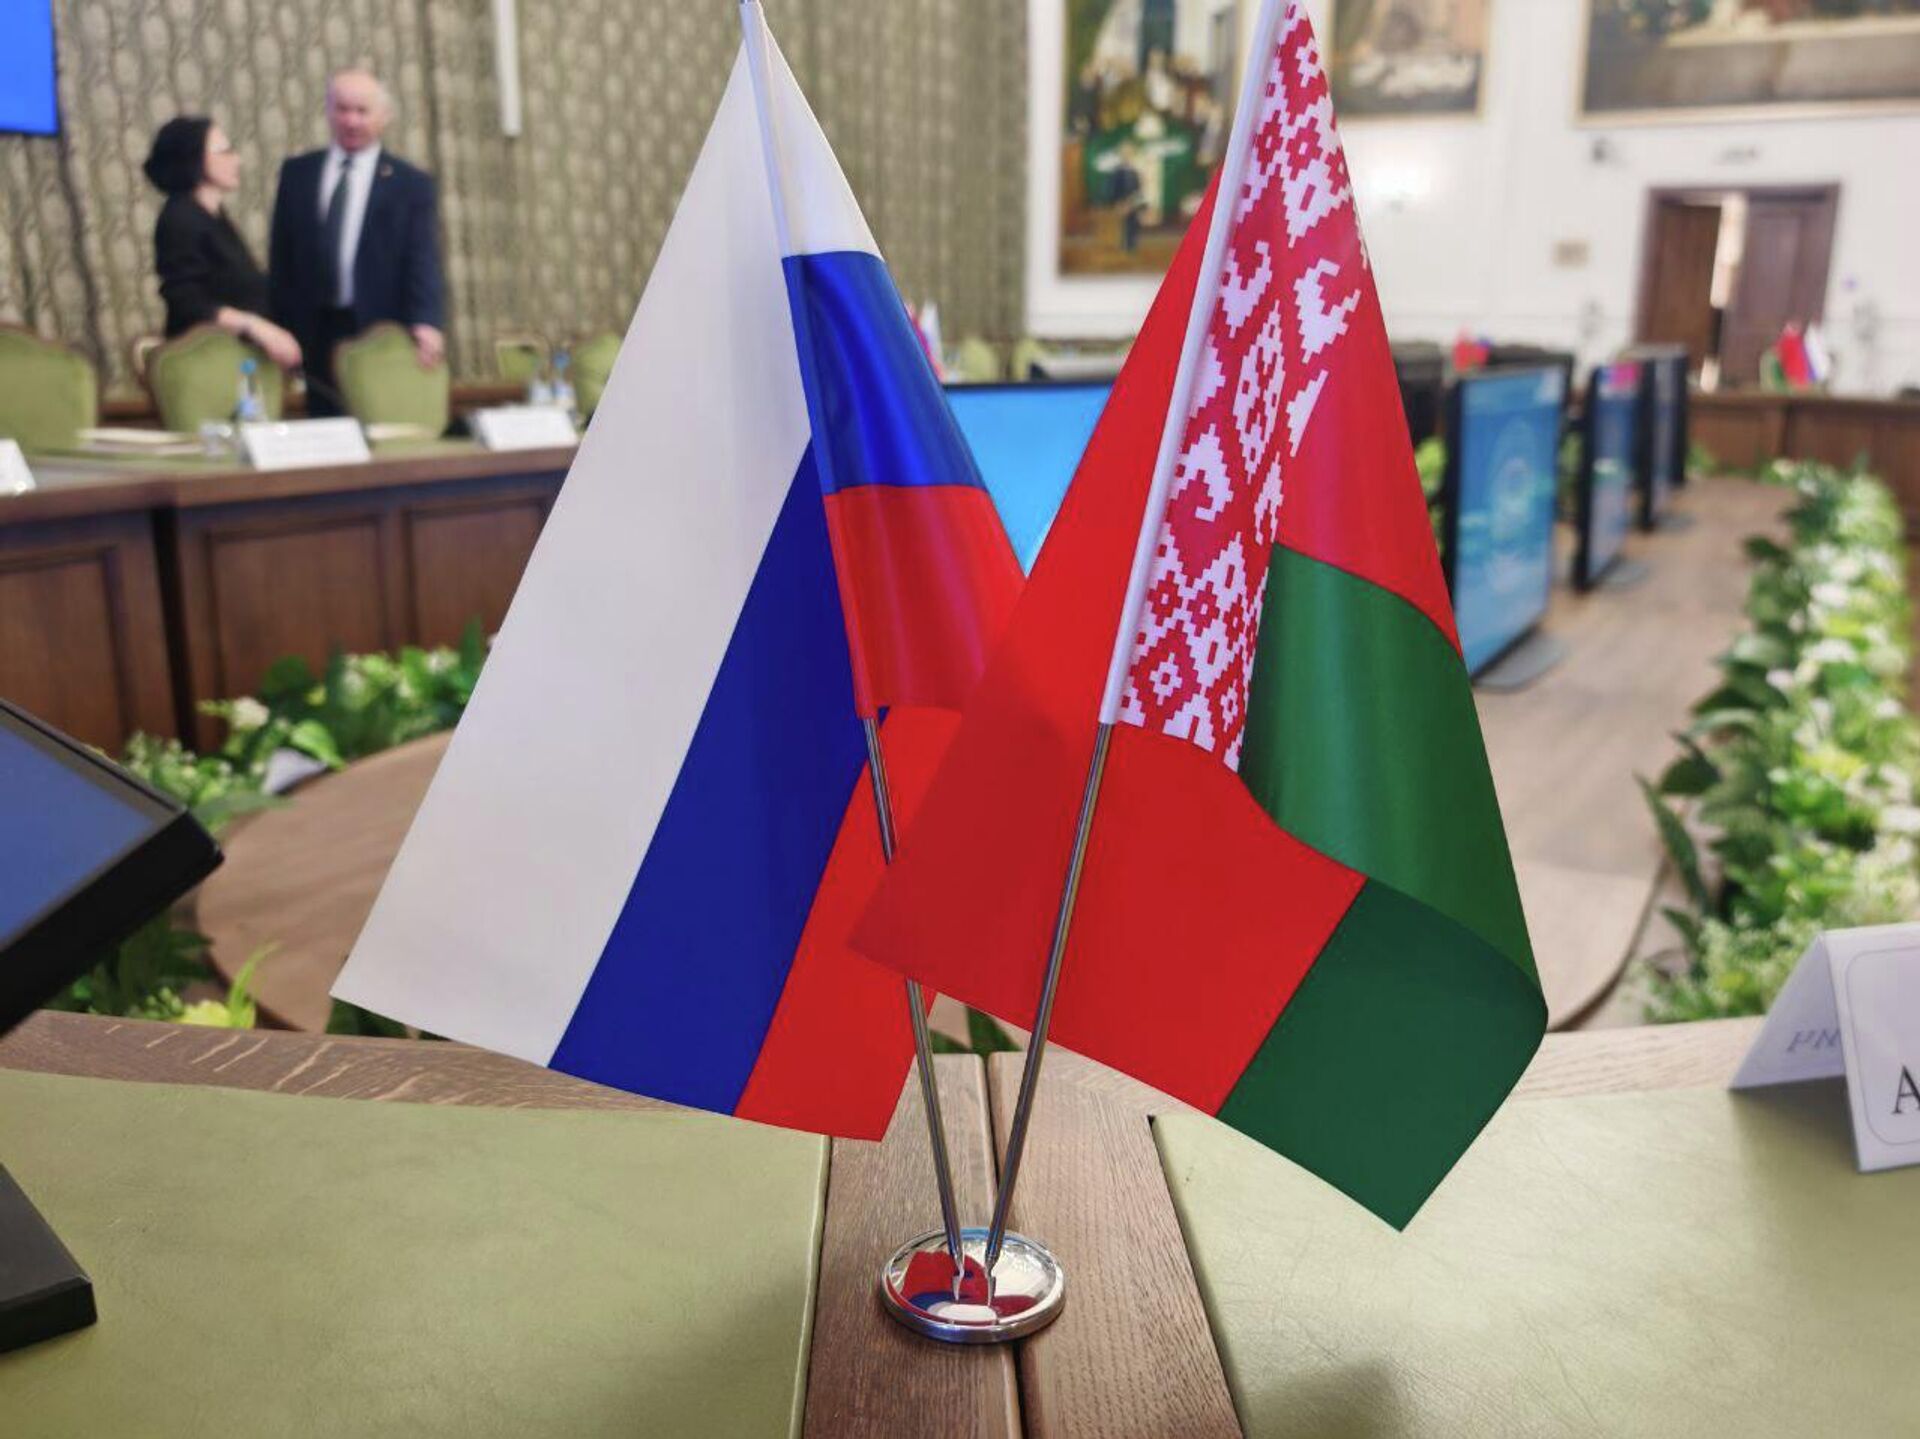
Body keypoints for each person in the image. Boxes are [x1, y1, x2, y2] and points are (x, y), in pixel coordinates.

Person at [268, 69, 446, 416]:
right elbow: (281, 257)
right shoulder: (298, 173)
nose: (351, 121)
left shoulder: (410, 183)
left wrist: (426, 320)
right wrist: (278, 326)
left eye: (362, 111)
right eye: (342, 109)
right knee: (323, 425)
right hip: (313, 331)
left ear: (384, 116)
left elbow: (422, 257)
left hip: (380, 328)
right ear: (328, 110)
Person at [143, 116, 303, 371]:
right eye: (224, 152)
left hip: (235, 359)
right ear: (193, 159)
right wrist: (255, 327)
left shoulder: (213, 215)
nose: (237, 160)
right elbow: (186, 301)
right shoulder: (180, 218)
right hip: (207, 365)